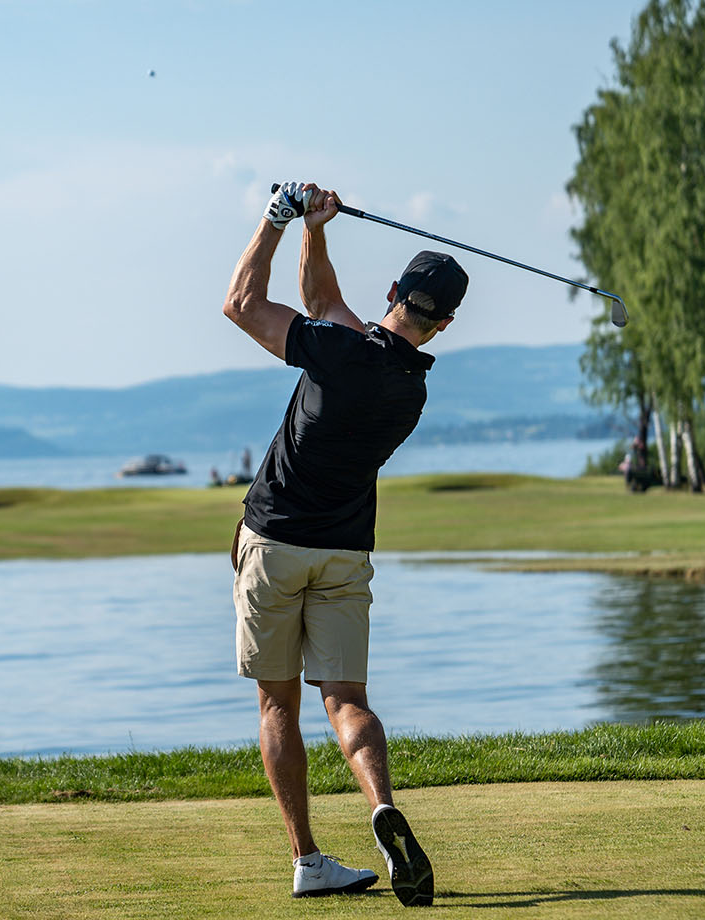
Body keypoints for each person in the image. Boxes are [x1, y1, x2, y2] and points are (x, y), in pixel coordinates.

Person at [222, 181, 459, 906]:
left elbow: (241, 305)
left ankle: (308, 860)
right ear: (444, 324)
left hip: (273, 545)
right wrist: (314, 230)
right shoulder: (408, 387)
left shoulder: (337, 351)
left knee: (277, 708)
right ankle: (381, 807)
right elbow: (325, 303)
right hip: (346, 553)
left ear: (392, 288)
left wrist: (274, 218)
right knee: (346, 700)